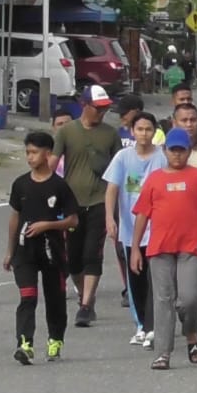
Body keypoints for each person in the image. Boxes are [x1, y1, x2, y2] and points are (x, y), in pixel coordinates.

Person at [130, 127, 197, 370]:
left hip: (192, 246)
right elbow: (142, 215)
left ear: (189, 151)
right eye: (173, 150)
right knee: (163, 299)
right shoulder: (155, 179)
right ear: (165, 150)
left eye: (182, 150)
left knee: (189, 298)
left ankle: (190, 332)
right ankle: (163, 352)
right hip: (160, 248)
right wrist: (136, 248)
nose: (177, 155)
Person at [4, 132, 79, 365]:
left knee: (54, 298)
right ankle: (24, 344)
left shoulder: (59, 186)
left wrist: (48, 225)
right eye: (27, 152)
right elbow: (15, 217)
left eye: (34, 152)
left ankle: (55, 339)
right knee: (27, 296)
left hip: (52, 252)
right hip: (25, 252)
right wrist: (10, 250)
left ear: (48, 154)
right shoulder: (20, 184)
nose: (30, 157)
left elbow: (73, 220)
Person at [51, 85, 123, 327]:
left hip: (100, 201)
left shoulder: (110, 134)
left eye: (105, 109)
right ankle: (85, 295)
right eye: (98, 108)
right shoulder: (66, 132)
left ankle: (85, 305)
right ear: (84, 106)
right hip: (72, 202)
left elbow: (118, 167)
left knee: (93, 253)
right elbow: (53, 162)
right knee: (73, 259)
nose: (102, 113)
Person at [104, 113, 167, 348]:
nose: (143, 134)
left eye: (148, 129)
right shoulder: (122, 157)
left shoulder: (162, 157)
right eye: (139, 129)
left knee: (156, 281)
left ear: (155, 132)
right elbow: (112, 189)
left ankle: (153, 327)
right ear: (132, 131)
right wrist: (110, 218)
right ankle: (141, 325)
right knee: (136, 281)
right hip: (131, 231)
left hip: (158, 230)